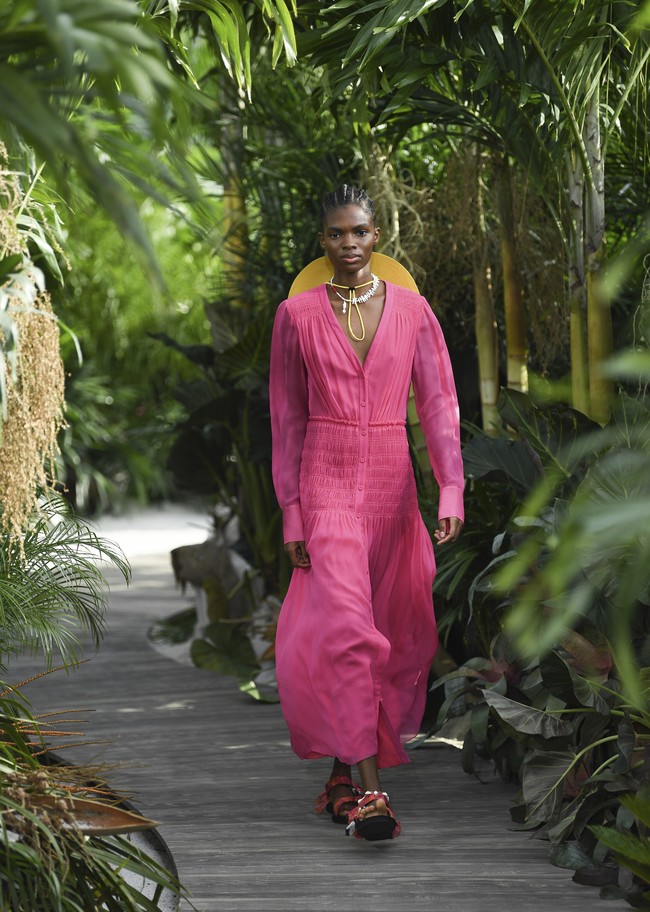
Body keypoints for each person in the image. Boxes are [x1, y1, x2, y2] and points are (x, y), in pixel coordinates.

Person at [269, 185, 464, 842]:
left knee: (382, 637)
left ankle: (341, 774)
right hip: (326, 486)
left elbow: (438, 406)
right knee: (351, 632)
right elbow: (286, 421)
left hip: (392, 491)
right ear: (322, 242)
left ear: (376, 236)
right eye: (335, 234)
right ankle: (373, 795)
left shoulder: (412, 311)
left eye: (358, 232)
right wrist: (292, 515)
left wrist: (452, 489)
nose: (347, 244)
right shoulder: (295, 316)